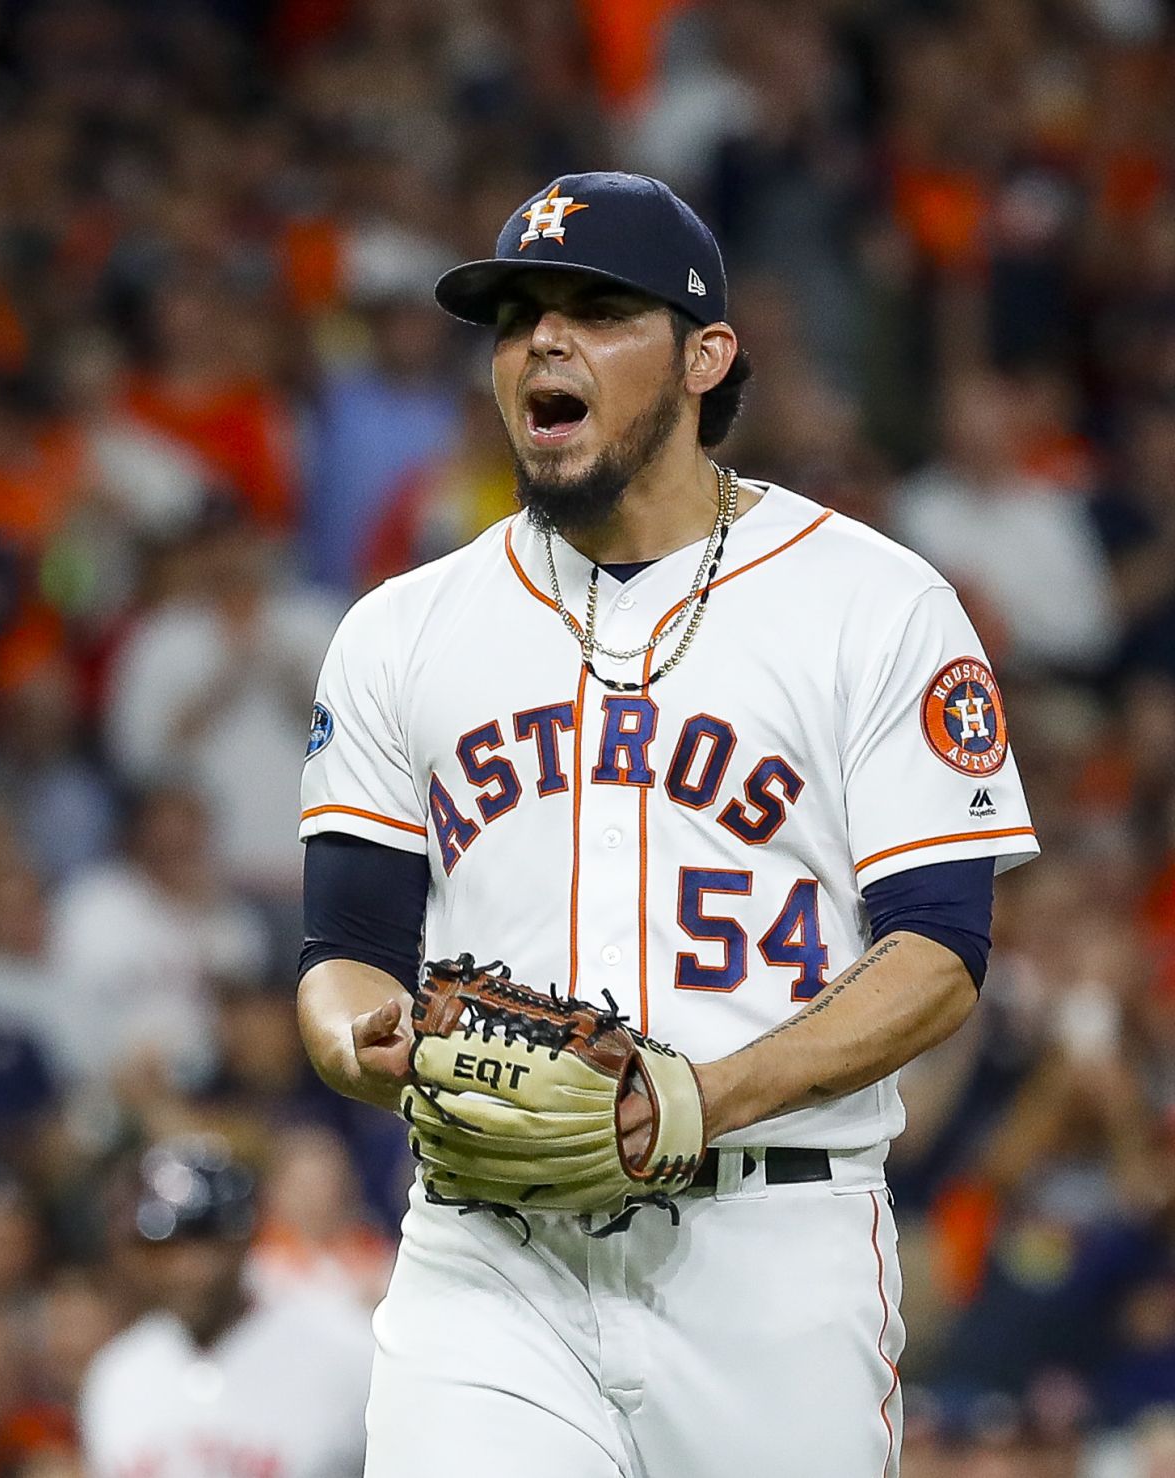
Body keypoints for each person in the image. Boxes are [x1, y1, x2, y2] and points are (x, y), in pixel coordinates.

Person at [295, 173, 1040, 1475]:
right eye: (518, 313)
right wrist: (366, 1039)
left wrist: (702, 1096)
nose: (544, 340)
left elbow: (940, 952)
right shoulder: (402, 629)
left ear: (706, 357)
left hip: (771, 1248)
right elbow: (343, 947)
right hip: (492, 1252)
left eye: (597, 308)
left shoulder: (873, 603)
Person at [77, 1137, 371, 1478]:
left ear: (244, 1238)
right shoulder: (117, 1375)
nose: (182, 1269)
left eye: (200, 1241)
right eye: (163, 1247)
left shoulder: (345, 1349)